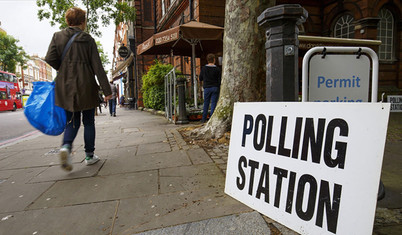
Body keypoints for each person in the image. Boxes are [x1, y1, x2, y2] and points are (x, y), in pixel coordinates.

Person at [45, 7, 112, 171]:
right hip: (85, 85)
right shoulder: (87, 39)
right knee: (88, 121)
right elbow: (97, 67)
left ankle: (66, 147)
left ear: (68, 21)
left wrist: (63, 67)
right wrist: (107, 91)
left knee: (72, 121)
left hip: (65, 85)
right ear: (83, 22)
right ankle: (89, 155)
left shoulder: (57, 36)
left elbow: (49, 58)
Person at [199, 53, 221, 123]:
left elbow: (200, 78)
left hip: (207, 88)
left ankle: (203, 119)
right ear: (214, 60)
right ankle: (212, 119)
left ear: (207, 60)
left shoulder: (204, 68)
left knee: (206, 103)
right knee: (213, 103)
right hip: (215, 87)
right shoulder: (217, 69)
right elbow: (220, 79)